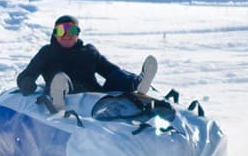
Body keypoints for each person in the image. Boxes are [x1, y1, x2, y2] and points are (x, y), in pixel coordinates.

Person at [15, 15, 155, 106]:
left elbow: (110, 71)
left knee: (116, 75)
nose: (66, 35)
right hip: (67, 94)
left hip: (94, 96)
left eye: (71, 31)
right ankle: (59, 96)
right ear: (54, 34)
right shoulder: (47, 52)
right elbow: (26, 76)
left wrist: (126, 80)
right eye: (60, 31)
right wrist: (28, 85)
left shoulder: (88, 52)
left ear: (78, 34)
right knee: (61, 78)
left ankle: (138, 83)